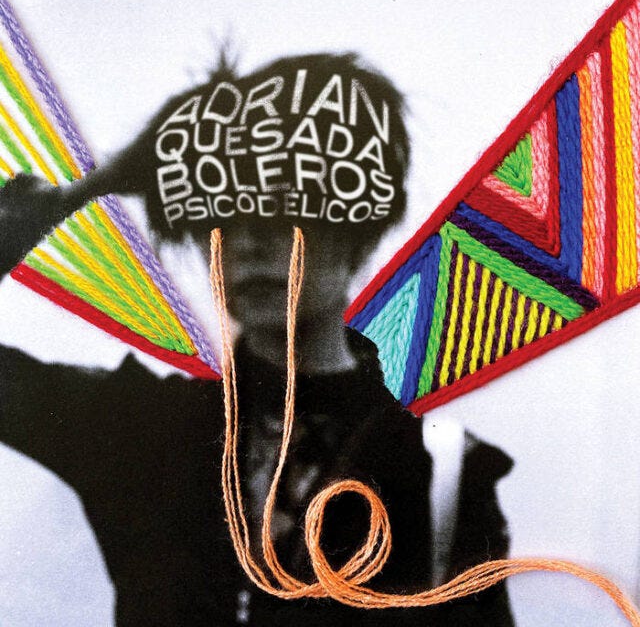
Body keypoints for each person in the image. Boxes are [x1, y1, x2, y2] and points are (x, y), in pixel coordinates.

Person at [0, 52, 514, 626]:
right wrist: (65, 200)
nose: (247, 243)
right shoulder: (138, 426)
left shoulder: (441, 474)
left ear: (360, 237)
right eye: (221, 217)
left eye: (285, 210)